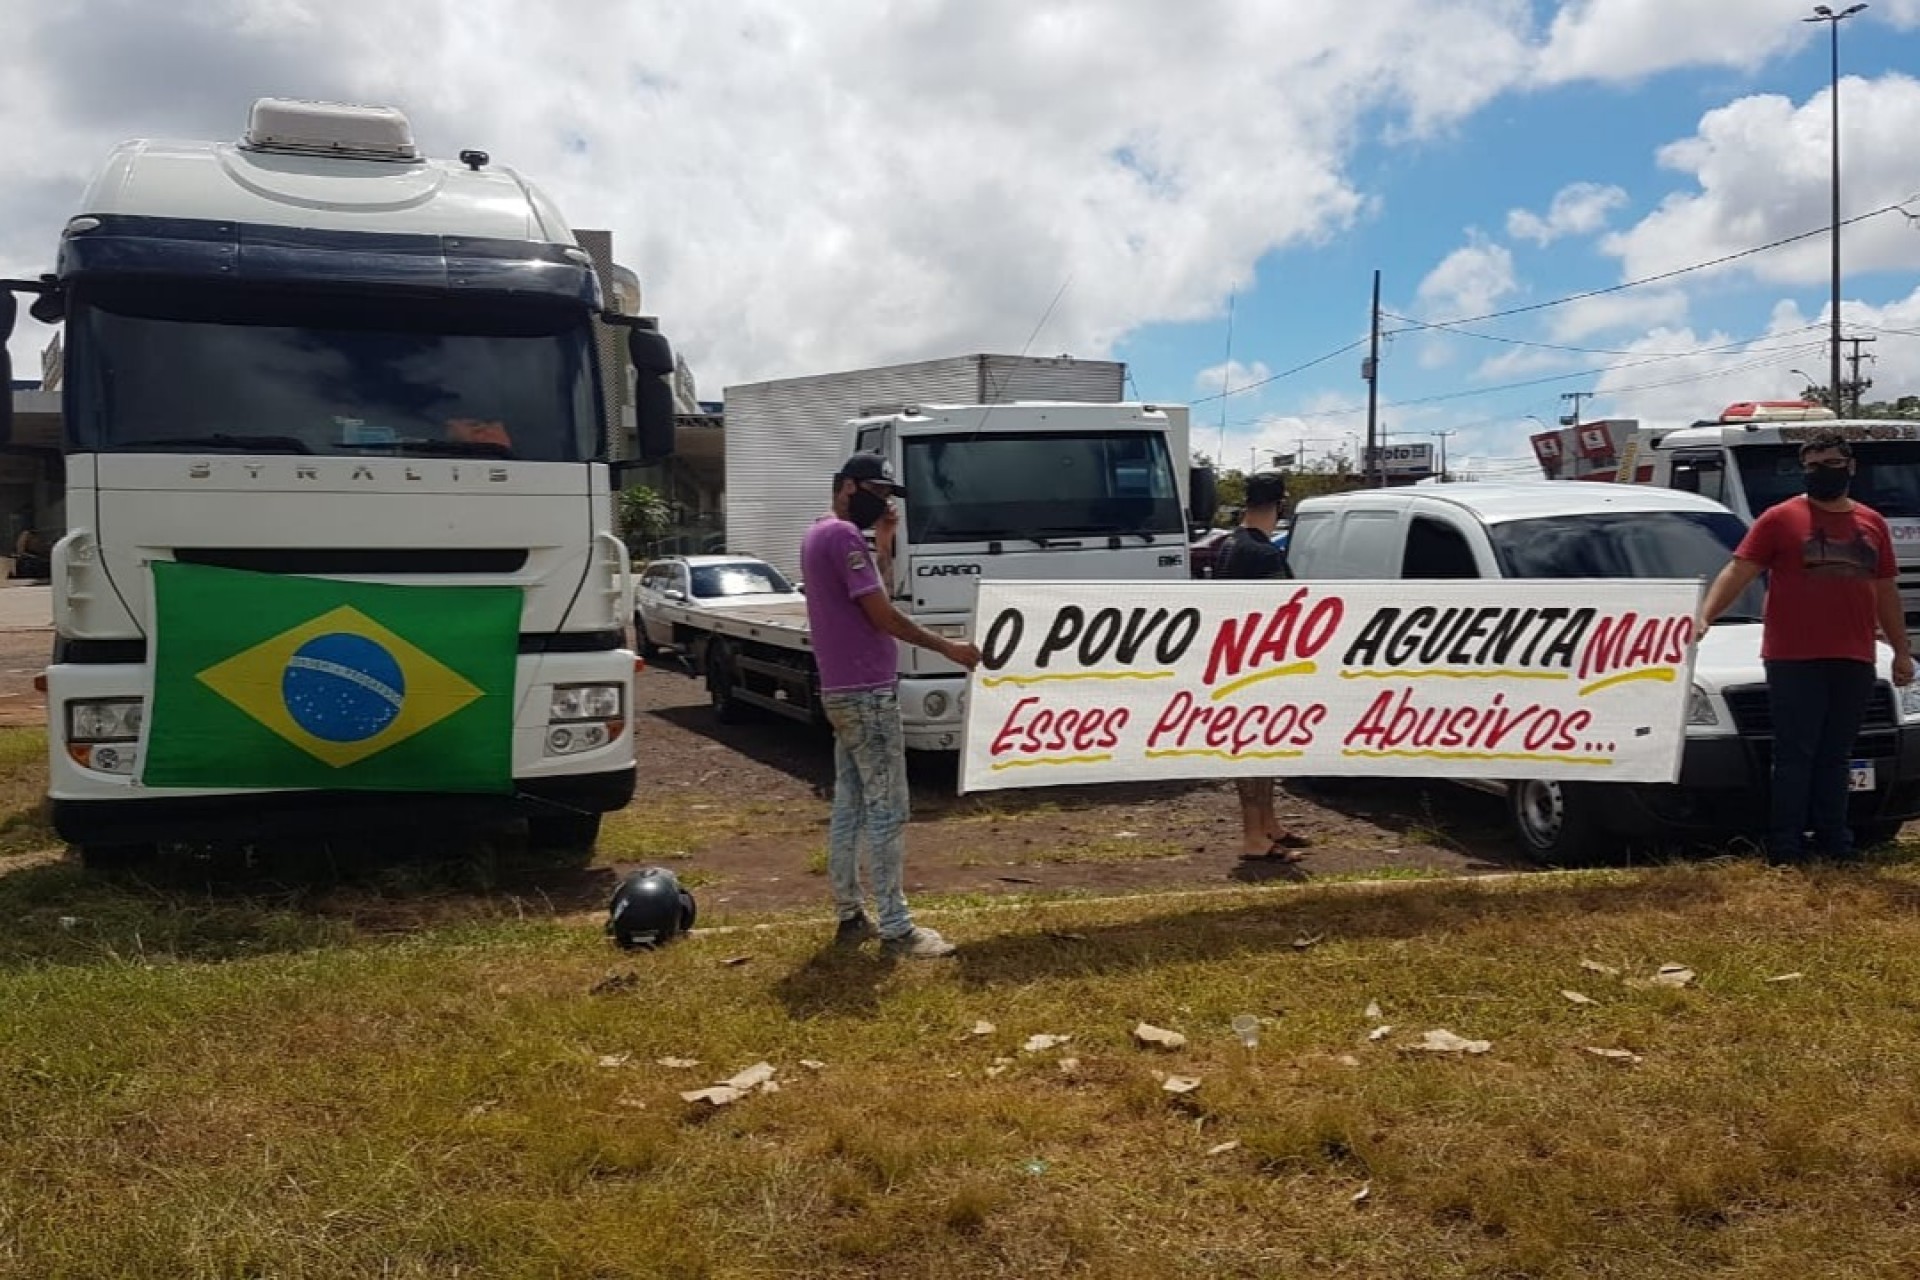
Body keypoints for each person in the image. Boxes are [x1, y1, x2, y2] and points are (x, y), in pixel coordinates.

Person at [1696, 432, 1916, 860]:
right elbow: (1739, 570)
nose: (1822, 473)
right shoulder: (1780, 518)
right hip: (1793, 656)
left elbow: (1886, 590)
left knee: (1837, 755)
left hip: (1854, 656)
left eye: (1831, 464)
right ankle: (1786, 845)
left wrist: (1902, 651)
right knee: (1795, 755)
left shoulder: (1872, 524)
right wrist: (1706, 614)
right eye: (1813, 467)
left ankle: (1836, 843)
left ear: (1850, 467)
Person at [802, 452, 982, 957]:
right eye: (876, 493)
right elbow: (883, 614)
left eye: (886, 496)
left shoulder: (821, 535)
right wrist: (949, 648)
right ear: (848, 486)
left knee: (851, 805)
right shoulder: (840, 537)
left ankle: (849, 914)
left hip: (843, 690)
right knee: (888, 810)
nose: (882, 502)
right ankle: (897, 928)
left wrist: (882, 544)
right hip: (867, 691)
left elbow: (869, 589)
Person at [1211, 471, 1313, 861]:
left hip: (1238, 664)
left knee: (1262, 749)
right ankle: (1255, 837)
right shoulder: (1264, 554)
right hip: (1260, 667)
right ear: (1280, 505)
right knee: (1255, 752)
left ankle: (1269, 825)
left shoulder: (1227, 545)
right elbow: (1284, 611)